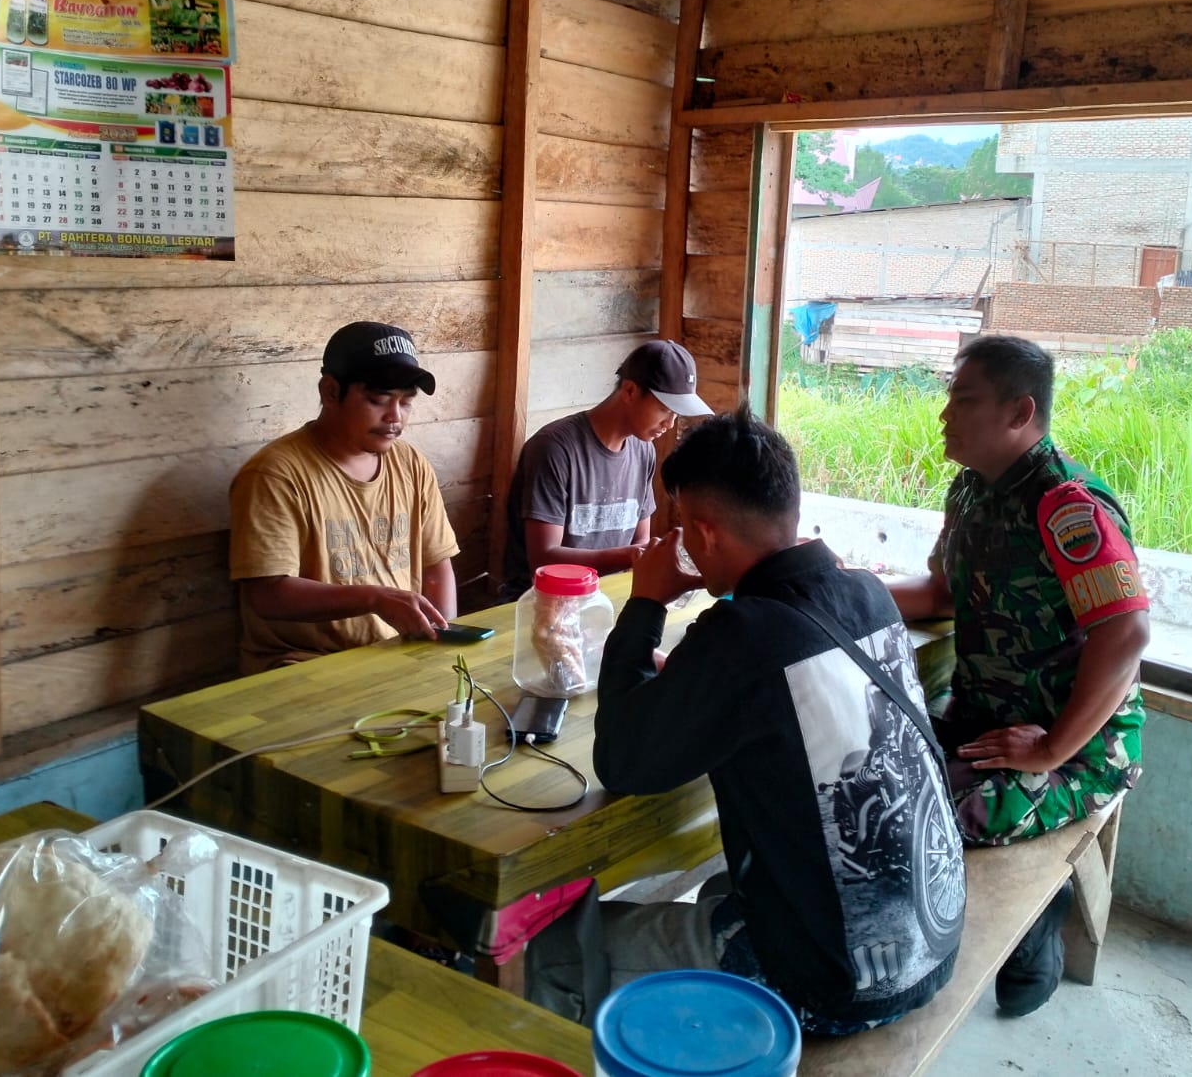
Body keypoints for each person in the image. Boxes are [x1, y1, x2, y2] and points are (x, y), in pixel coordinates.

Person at [526, 408, 966, 1036]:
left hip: (831, 984)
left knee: (548, 948)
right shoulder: (866, 593)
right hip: (929, 938)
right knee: (715, 892)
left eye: (682, 525)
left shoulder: (740, 635)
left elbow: (621, 761)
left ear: (705, 534)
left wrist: (646, 602)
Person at [887, 334, 1149, 1015]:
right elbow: (941, 593)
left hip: (1078, 751)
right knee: (870, 772)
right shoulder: (972, 490)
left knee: (924, 817)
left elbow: (1126, 633)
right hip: (987, 724)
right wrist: (838, 587)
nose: (945, 414)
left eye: (964, 399)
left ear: (1019, 412)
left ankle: (1036, 926)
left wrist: (1054, 747)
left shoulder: (1067, 506)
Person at [228, 321, 460, 674]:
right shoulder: (275, 474)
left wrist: (441, 639)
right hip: (303, 665)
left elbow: (436, 566)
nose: (395, 417)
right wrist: (374, 598)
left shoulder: (410, 463)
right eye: (378, 399)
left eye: (406, 402)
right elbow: (268, 594)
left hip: (399, 654)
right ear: (331, 391)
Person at [500, 339, 711, 596]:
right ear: (630, 391)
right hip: (539, 600)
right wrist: (635, 555)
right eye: (665, 409)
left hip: (605, 595)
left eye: (677, 414)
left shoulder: (643, 451)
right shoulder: (554, 448)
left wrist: (644, 555)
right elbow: (544, 560)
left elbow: (640, 541)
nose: (670, 424)